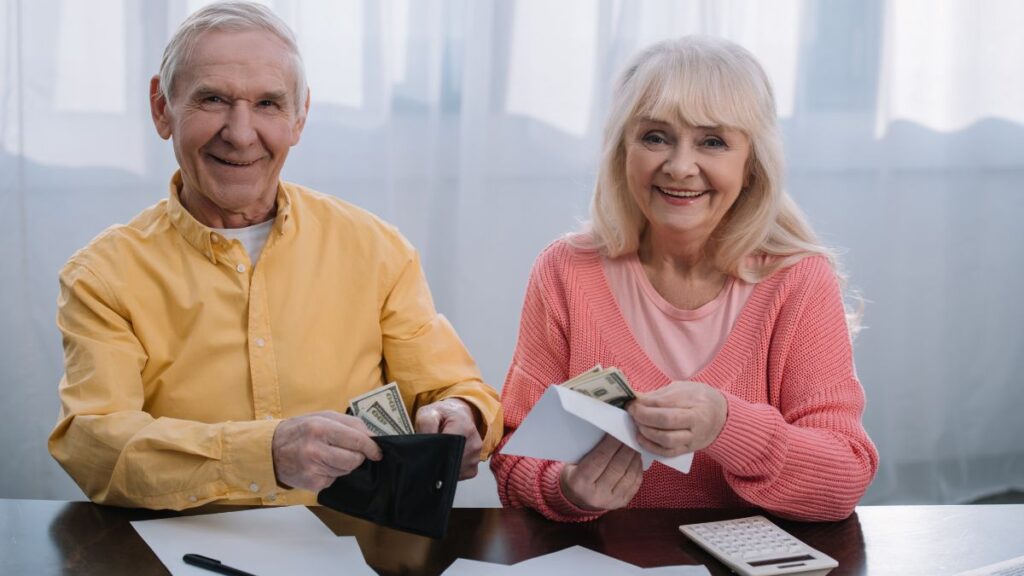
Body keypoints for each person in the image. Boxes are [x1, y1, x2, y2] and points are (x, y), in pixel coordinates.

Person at [48, 1, 501, 510]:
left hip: (352, 551)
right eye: (213, 99)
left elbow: (453, 388)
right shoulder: (100, 277)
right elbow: (96, 445)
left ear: (300, 115)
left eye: (268, 104)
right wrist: (262, 454)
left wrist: (462, 414)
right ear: (162, 108)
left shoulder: (376, 249)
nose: (240, 134)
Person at [490, 36, 878, 522]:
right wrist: (565, 488)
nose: (679, 166)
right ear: (622, 150)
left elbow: (843, 480)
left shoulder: (797, 280)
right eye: (655, 136)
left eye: (712, 142)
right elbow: (511, 460)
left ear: (751, 163)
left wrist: (727, 425)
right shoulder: (565, 271)